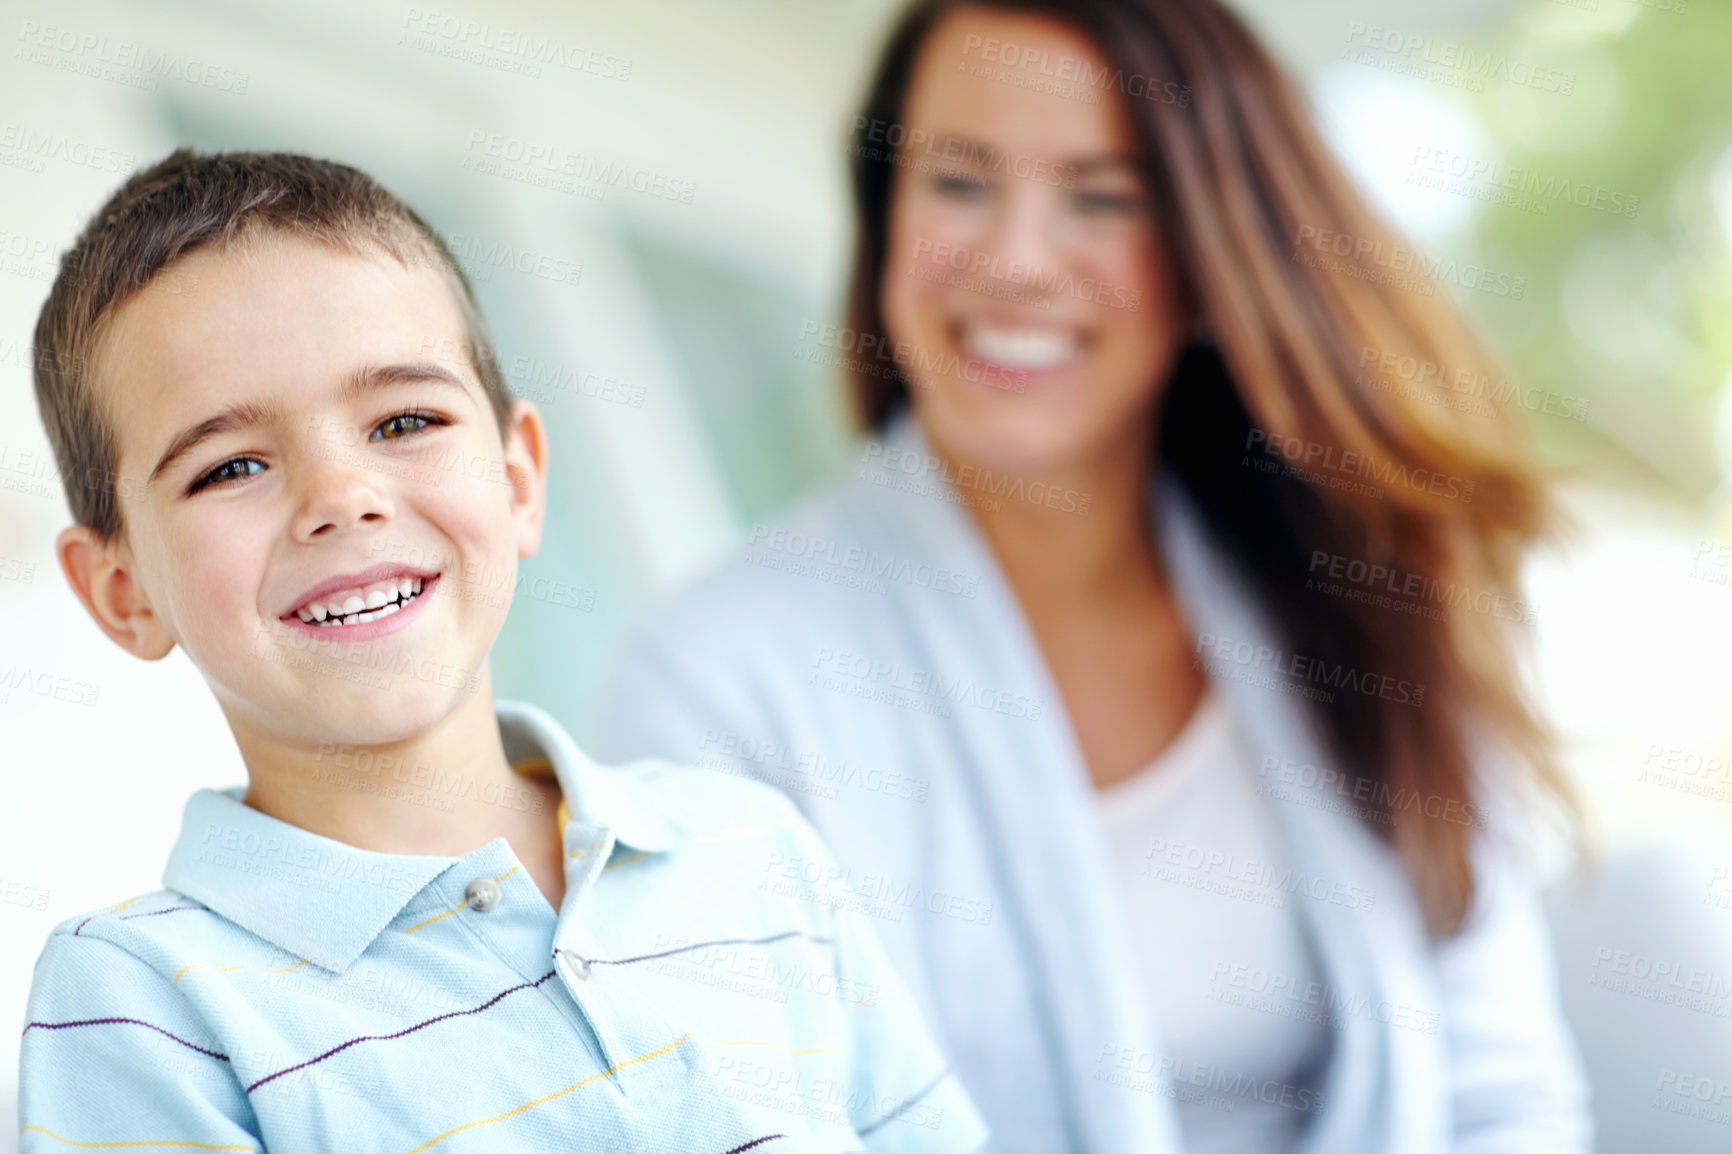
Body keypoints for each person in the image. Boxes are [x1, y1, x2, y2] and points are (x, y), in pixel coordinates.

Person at [591, 2, 1593, 1152]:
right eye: (958, 182)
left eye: (1103, 194)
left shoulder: (1362, 587)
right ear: (884, 221)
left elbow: (1501, 1096)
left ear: (1213, 262)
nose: (1015, 258)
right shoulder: (713, 682)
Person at [19, 149, 988, 1154]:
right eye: (232, 466)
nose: (341, 496)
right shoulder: (141, 1004)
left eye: (404, 419)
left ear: (519, 480)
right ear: (123, 592)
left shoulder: (749, 848)